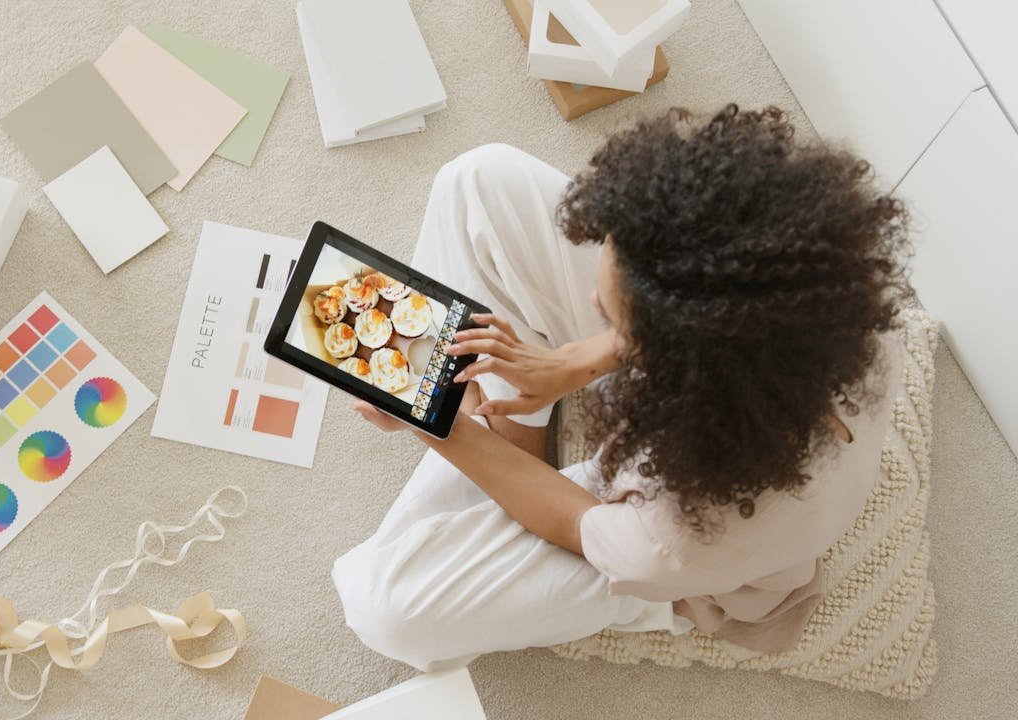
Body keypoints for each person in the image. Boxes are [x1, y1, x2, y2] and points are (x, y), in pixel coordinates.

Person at [332, 105, 913, 672]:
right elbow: (699, 319)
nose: (590, 302)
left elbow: (571, 521)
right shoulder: (835, 312)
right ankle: (510, 431)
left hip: (655, 528)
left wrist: (442, 426)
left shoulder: (684, 538)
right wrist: (578, 360)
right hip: (700, 383)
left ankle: (498, 438)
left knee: (382, 607)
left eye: (610, 318)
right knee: (477, 182)